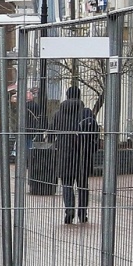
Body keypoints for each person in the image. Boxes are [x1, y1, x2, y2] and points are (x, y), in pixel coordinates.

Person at [49, 85, 98, 225]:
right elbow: (94, 132)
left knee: (67, 184)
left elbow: (51, 133)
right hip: (82, 155)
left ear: (67, 95)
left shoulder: (58, 114)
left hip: (65, 154)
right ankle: (83, 213)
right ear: (79, 95)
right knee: (83, 185)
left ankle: (69, 211)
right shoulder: (85, 112)